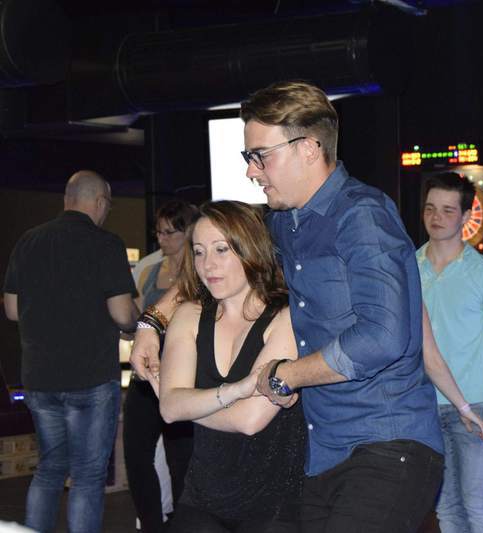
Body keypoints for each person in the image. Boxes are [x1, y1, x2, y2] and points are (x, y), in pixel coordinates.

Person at [131, 81, 444, 533]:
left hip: (387, 442)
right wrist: (152, 321)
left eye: (260, 156)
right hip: (322, 455)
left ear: (309, 149)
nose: (251, 171)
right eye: (249, 157)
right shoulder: (283, 223)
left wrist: (287, 374)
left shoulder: (363, 216)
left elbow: (383, 337)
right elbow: (218, 262)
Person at [155, 200, 305, 532]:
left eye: (221, 249)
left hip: (274, 504)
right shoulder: (189, 315)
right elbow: (169, 407)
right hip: (203, 497)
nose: (207, 264)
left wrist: (187, 405)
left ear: (250, 248)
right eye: (199, 252)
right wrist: (236, 390)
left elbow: (249, 419)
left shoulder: (286, 316)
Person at [3, 170, 139, 533]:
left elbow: (12, 310)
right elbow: (122, 313)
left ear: (67, 198)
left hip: (39, 380)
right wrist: (136, 324)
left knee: (48, 470)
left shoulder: (28, 241)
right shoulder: (106, 244)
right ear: (99, 202)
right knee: (87, 476)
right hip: (90, 379)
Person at [416, 172, 483, 533]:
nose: (436, 217)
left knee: (477, 504)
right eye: (430, 208)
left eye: (447, 210)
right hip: (424, 405)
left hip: (476, 403)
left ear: (465, 216)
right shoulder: (409, 268)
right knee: (446, 508)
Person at [123, 200, 197, 533]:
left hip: (183, 376)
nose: (162, 239)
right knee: (136, 456)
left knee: (181, 459)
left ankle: (183, 524)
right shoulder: (150, 270)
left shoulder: (201, 272)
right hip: (147, 376)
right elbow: (138, 319)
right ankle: (152, 525)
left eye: (170, 232)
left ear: (187, 232)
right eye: (159, 232)